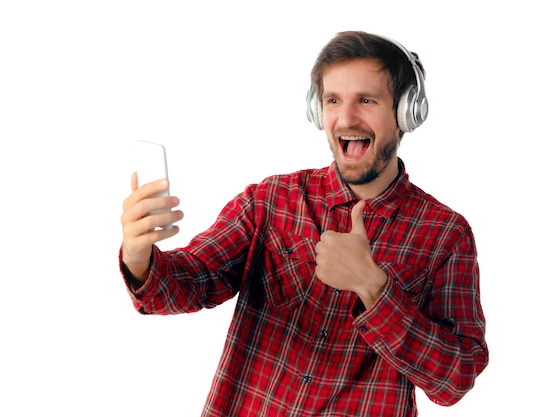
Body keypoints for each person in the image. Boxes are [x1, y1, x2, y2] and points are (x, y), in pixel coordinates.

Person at [119, 30, 488, 416]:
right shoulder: (271, 200)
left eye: (366, 100)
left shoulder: (446, 234)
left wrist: (372, 286)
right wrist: (139, 256)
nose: (346, 118)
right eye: (332, 100)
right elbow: (191, 281)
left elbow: (455, 379)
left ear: (406, 112)